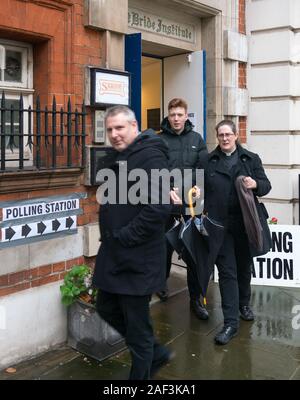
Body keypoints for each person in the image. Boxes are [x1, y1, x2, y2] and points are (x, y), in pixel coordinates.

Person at [92, 105, 174, 380]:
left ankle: (144, 370)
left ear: (134, 126)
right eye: (110, 129)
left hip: (137, 257)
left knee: (138, 333)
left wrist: (125, 236)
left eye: (120, 128)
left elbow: (158, 207)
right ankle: (157, 353)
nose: (114, 134)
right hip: (115, 254)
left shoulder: (150, 155)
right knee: (105, 306)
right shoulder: (120, 155)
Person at [201, 119, 271, 344]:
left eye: (227, 134)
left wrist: (255, 184)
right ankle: (230, 323)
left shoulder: (251, 159)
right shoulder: (208, 161)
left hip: (246, 224)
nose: (224, 138)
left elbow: (266, 185)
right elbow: (197, 189)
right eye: (220, 135)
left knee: (243, 267)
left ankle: (244, 305)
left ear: (235, 135)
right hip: (220, 227)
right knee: (227, 272)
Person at [157, 97, 209, 321]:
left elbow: (203, 168)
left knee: (192, 251)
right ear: (168, 116)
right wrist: (167, 188)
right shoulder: (159, 140)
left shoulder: (197, 139)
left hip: (190, 205)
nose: (176, 118)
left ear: (186, 115)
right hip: (166, 203)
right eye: (172, 114)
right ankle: (161, 284)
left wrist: (198, 187)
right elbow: (154, 168)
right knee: (163, 247)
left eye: (180, 114)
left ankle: (195, 299)